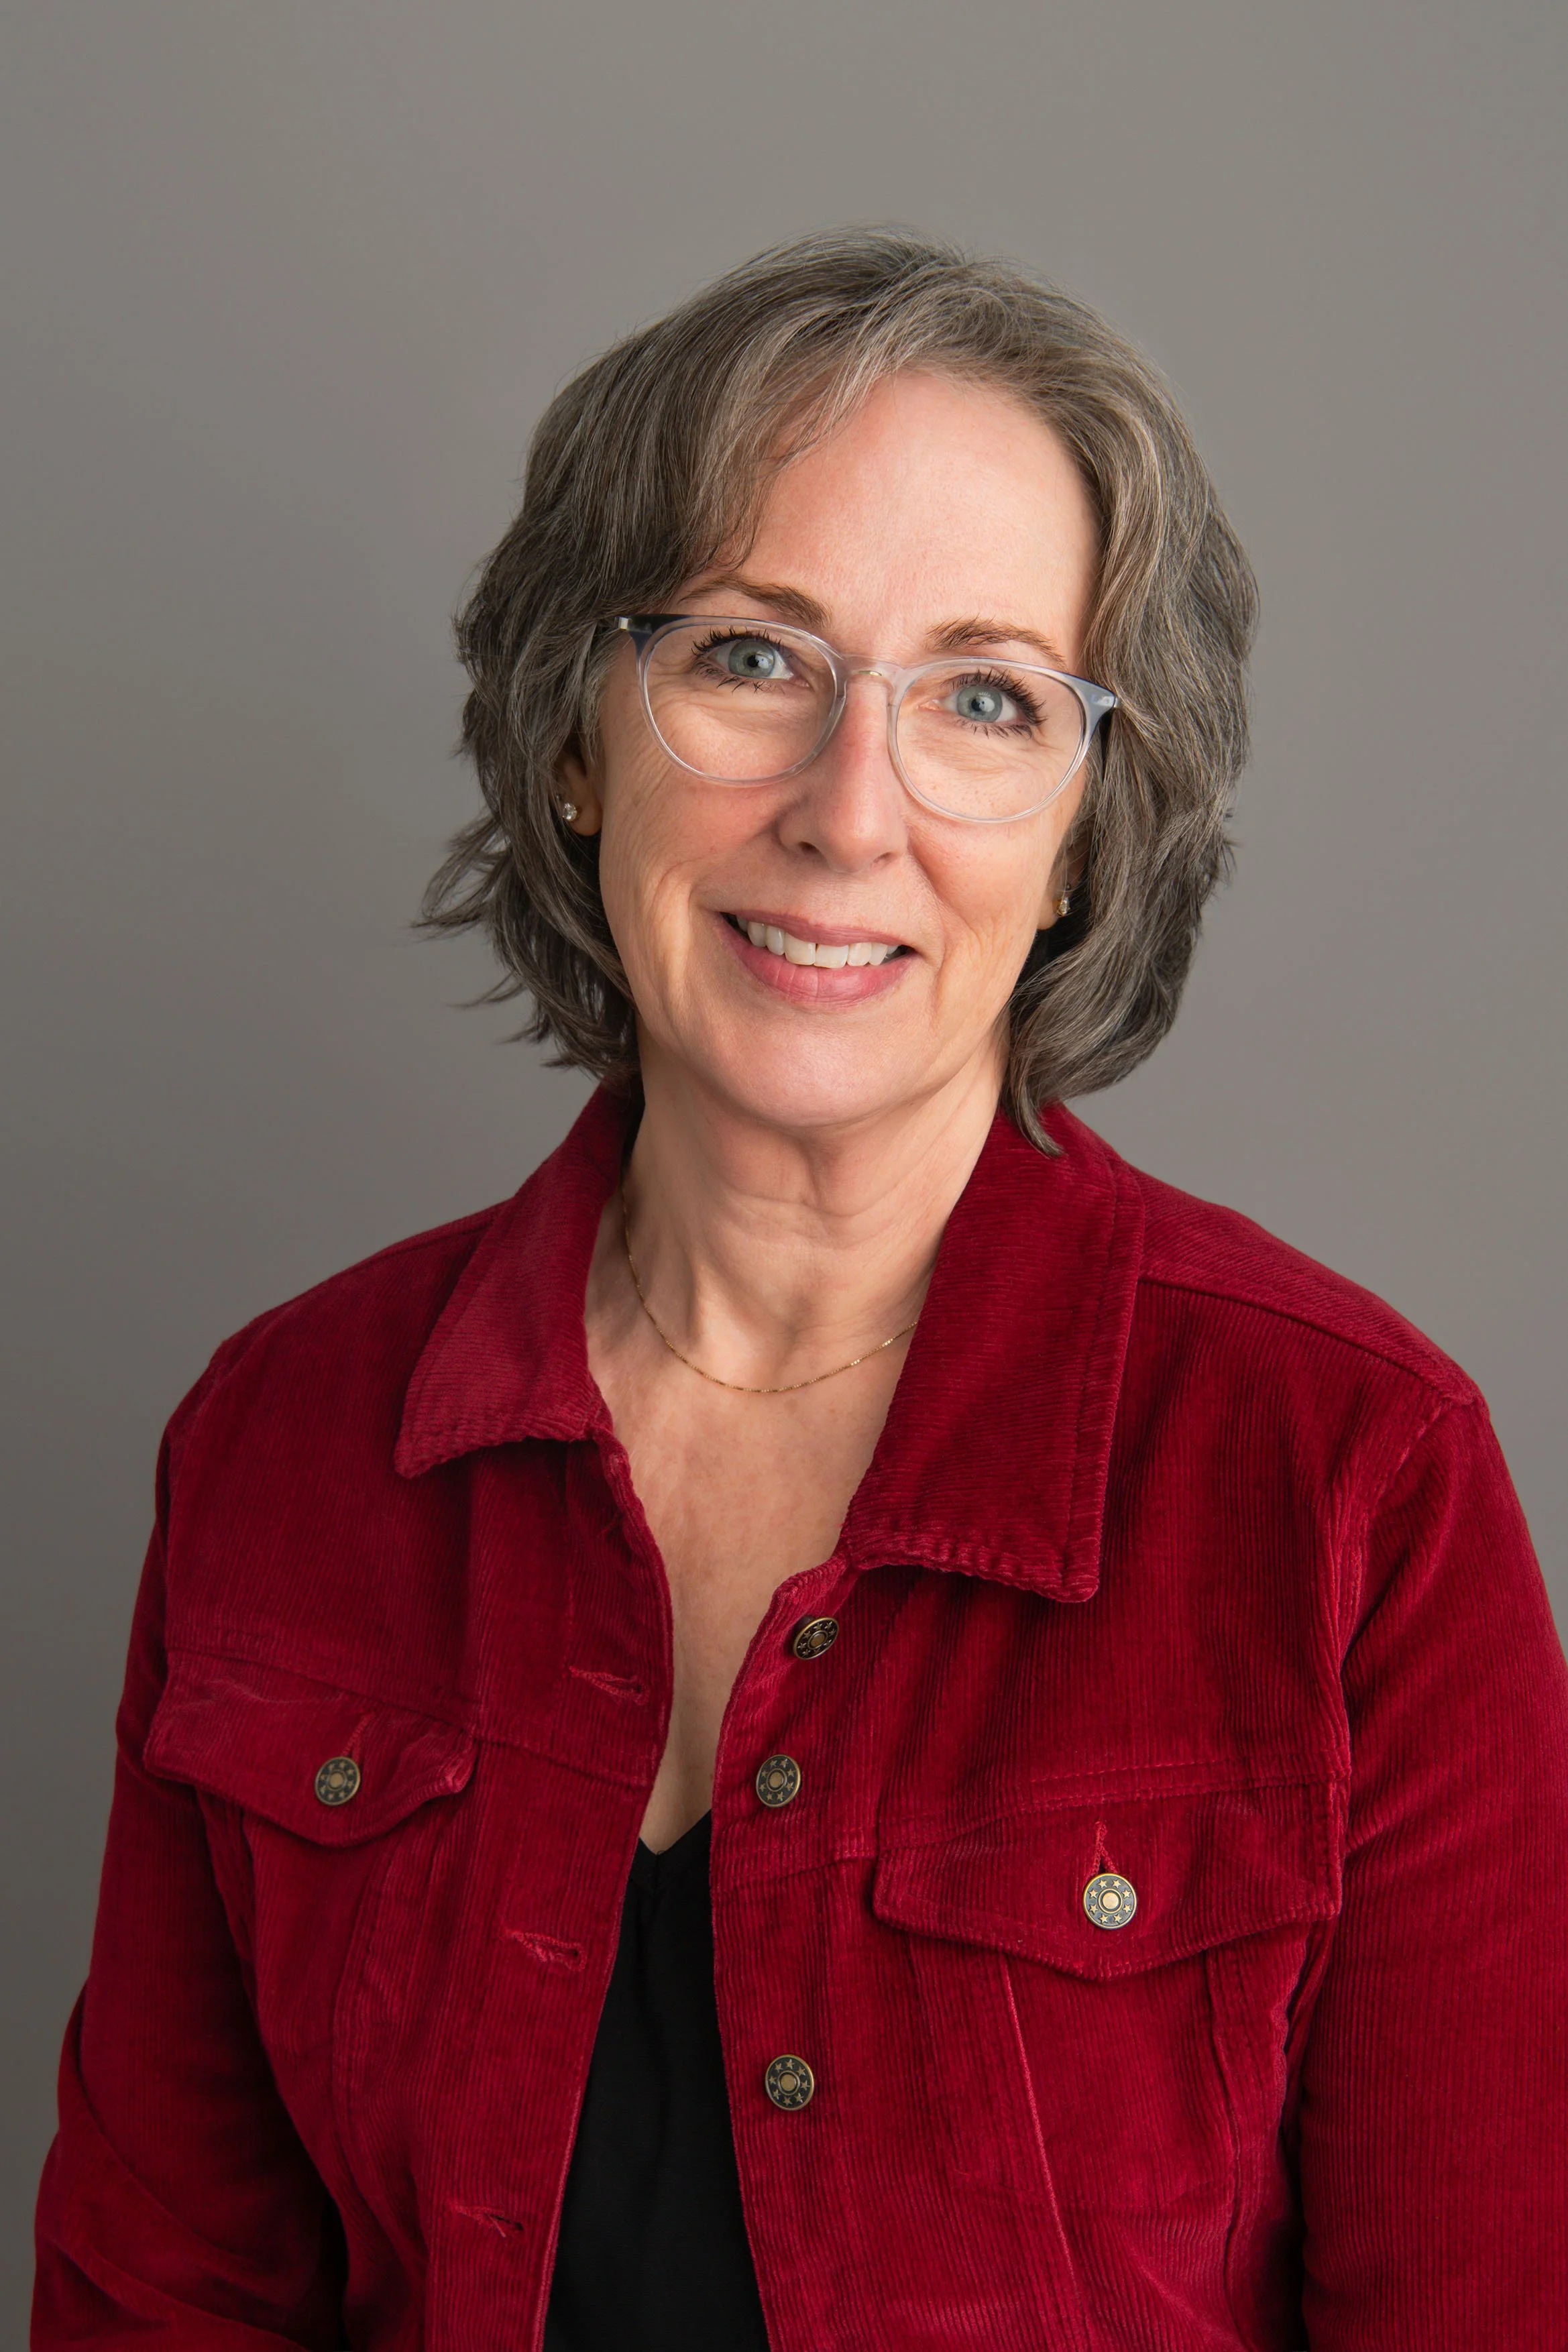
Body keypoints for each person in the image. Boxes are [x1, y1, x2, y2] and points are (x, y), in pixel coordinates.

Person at [33, 229, 1567, 2351]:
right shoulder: (281, 1444)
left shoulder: (1350, 1484)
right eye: (753, 658)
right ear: (580, 735)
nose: (854, 812)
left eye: (985, 698)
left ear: (1084, 846)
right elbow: (160, 2302)